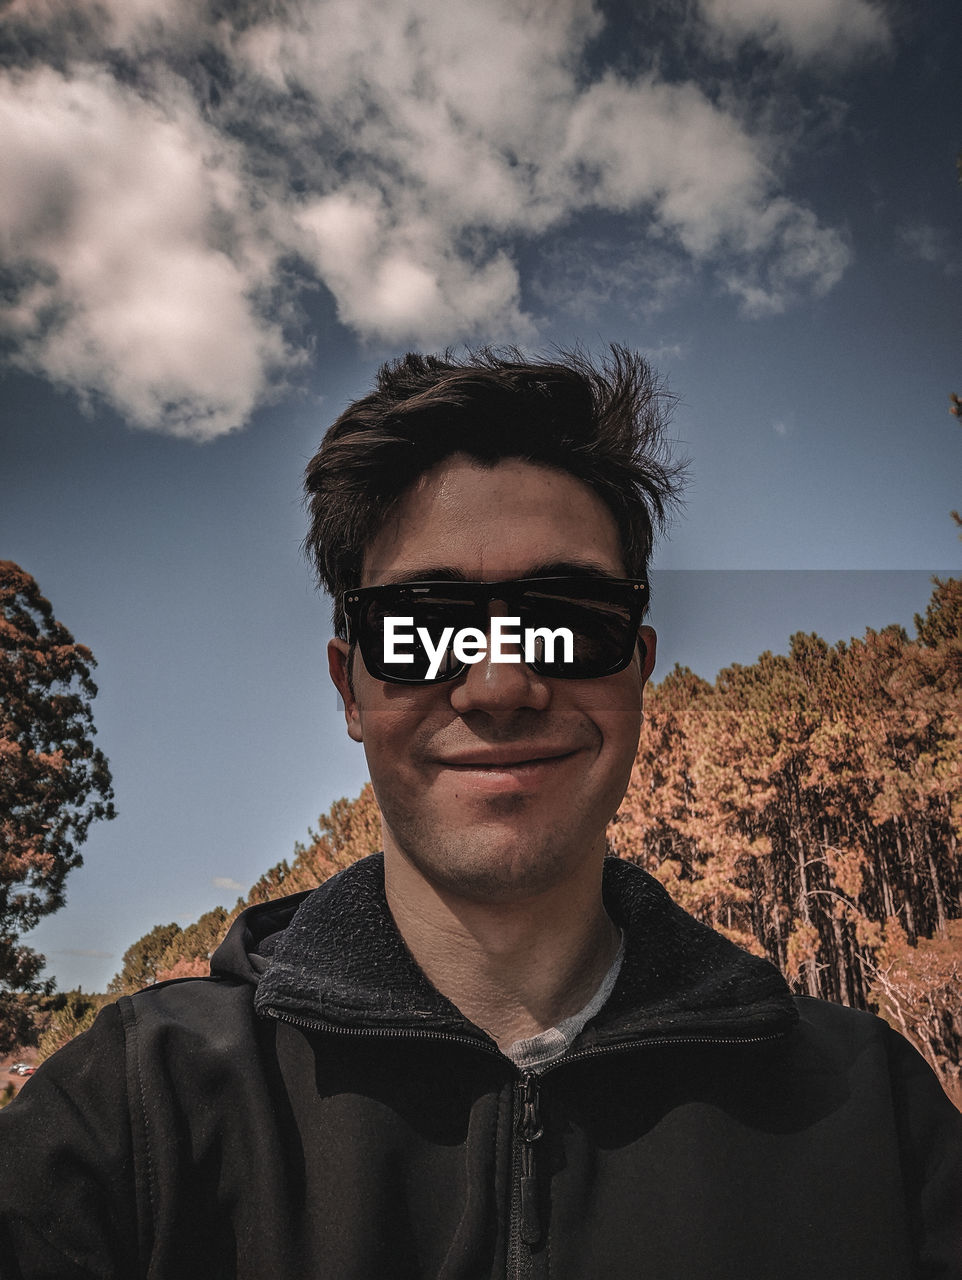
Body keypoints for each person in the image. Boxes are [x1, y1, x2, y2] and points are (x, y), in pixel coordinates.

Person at [1, 346, 960, 1279]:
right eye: (426, 628)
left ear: (638, 670)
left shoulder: (878, 1124)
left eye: (568, 620)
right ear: (350, 688)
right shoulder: (129, 1119)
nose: (500, 684)